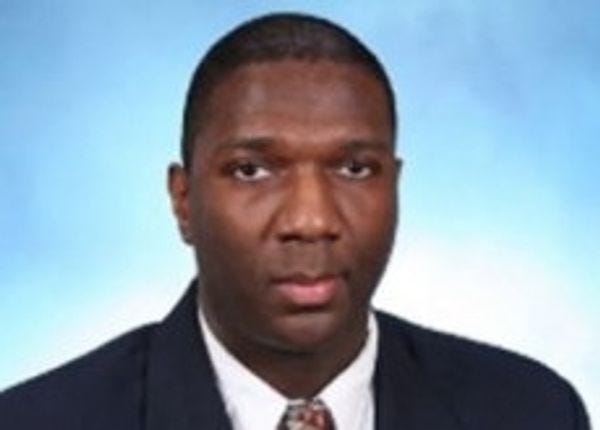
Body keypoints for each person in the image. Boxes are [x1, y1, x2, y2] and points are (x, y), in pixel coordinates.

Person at [0, 12, 590, 430]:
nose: (311, 219)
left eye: (355, 168)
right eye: (252, 170)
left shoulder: (532, 412)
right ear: (183, 200)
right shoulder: (37, 421)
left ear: (395, 185)